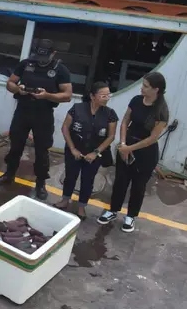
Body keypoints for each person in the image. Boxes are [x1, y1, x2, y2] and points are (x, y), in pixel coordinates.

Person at [0, 38, 73, 200]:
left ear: (53, 54)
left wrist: (47, 95)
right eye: (39, 57)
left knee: (42, 150)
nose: (41, 61)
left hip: (43, 114)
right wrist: (18, 89)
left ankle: (40, 183)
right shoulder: (26, 64)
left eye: (45, 58)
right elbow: (10, 83)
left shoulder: (60, 70)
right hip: (23, 110)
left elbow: (67, 95)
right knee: (15, 144)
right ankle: (9, 174)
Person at [98, 72, 169, 233]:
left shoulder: (161, 110)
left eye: (145, 86)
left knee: (138, 185)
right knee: (120, 181)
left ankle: (131, 216)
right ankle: (113, 210)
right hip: (126, 145)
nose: (142, 88)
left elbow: (152, 138)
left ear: (156, 89)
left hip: (145, 153)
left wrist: (129, 149)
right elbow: (125, 122)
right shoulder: (136, 101)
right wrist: (123, 144)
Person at [54, 81, 118, 220]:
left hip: (94, 154)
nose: (107, 98)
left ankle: (82, 206)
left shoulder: (110, 114)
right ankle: (65, 200)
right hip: (74, 150)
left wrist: (95, 152)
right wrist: (72, 149)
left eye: (108, 95)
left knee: (88, 180)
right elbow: (65, 128)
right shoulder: (77, 108)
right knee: (70, 175)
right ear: (92, 96)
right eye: (103, 95)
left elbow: (111, 136)